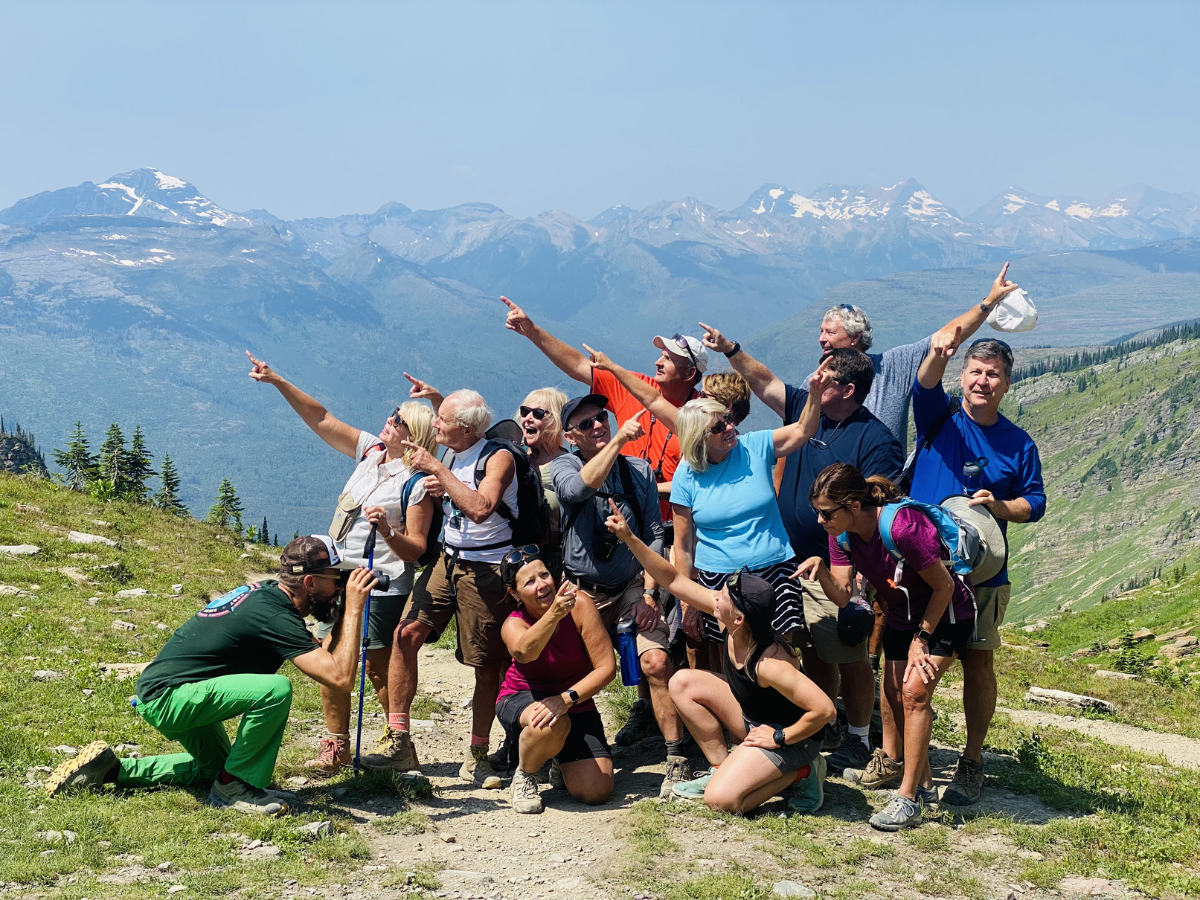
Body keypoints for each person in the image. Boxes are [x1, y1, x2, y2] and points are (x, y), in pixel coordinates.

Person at [686, 337, 905, 775]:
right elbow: (763, 380)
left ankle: (859, 737)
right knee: (799, 654)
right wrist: (731, 349)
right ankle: (815, 730)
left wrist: (860, 566)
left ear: (846, 388)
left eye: (825, 378)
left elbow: (877, 501)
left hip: (836, 558)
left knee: (846, 651)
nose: (814, 382)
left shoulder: (874, 437)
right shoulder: (810, 406)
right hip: (788, 561)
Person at [45, 537, 376, 816]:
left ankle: (111, 770)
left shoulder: (268, 597)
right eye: (336, 578)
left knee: (212, 770)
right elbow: (340, 678)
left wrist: (342, 611)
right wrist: (357, 609)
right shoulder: (274, 614)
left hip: (166, 693)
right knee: (275, 689)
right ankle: (236, 788)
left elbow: (327, 658)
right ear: (309, 582)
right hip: (170, 698)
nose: (340, 586)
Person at [245, 352, 438, 775]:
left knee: (375, 664)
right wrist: (279, 380)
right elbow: (322, 418)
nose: (391, 420)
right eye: (393, 414)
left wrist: (387, 530)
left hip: (380, 580)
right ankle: (347, 745)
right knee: (332, 652)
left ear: (414, 435)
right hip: (339, 574)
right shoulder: (371, 452)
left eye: (400, 420)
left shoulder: (417, 483)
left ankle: (394, 743)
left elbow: (418, 549)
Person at [605, 501, 835, 814]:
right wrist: (630, 537)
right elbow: (672, 579)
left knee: (721, 802)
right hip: (754, 721)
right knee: (683, 682)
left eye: (725, 595)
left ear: (739, 618)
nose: (716, 594)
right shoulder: (736, 622)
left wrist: (781, 737)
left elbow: (824, 710)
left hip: (794, 739)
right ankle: (723, 768)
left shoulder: (769, 663)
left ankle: (804, 773)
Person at [796, 464, 975, 831]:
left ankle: (907, 800)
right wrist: (822, 569)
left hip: (947, 614)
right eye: (818, 511)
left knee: (913, 693)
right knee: (894, 695)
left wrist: (921, 639)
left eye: (826, 512)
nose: (820, 520)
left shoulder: (902, 527)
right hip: (900, 615)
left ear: (854, 505)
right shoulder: (841, 533)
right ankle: (924, 787)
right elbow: (845, 595)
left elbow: (943, 587)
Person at [911, 334, 1045, 806]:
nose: (983, 381)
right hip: (922, 566)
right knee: (903, 658)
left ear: (1007, 383)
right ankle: (905, 760)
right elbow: (923, 385)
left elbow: (1036, 502)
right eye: (975, 371)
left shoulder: (1019, 442)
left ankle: (971, 761)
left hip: (984, 572)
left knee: (978, 660)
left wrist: (1002, 506)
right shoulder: (938, 418)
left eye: (993, 374)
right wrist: (938, 352)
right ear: (961, 376)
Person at [368, 390, 519, 788]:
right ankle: (399, 739)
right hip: (447, 558)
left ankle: (478, 754)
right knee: (405, 634)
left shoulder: (497, 457)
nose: (435, 424)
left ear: (467, 429)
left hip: (486, 567)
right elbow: (456, 492)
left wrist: (438, 469)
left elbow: (482, 507)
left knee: (486, 664)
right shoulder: (455, 450)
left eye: (443, 420)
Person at [552, 393, 687, 797]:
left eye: (602, 417)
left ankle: (676, 756)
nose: (598, 425)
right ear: (570, 437)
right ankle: (566, 752)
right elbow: (576, 491)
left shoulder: (640, 472)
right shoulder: (563, 464)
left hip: (630, 587)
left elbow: (654, 534)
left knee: (657, 662)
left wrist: (650, 595)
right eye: (587, 423)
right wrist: (615, 445)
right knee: (574, 673)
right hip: (581, 592)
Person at [667, 362, 835, 665]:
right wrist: (686, 601)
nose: (730, 427)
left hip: (774, 569)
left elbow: (802, 430)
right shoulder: (686, 476)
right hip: (718, 581)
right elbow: (682, 545)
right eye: (718, 427)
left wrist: (814, 393)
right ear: (698, 438)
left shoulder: (754, 446)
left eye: (728, 419)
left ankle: (789, 710)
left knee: (781, 655)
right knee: (732, 660)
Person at [502, 296, 704, 519]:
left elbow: (697, 484)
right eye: (661, 355)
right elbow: (578, 365)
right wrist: (532, 332)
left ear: (689, 373)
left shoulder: (701, 415)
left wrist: (644, 487)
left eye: (668, 358)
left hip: (672, 528)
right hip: (623, 520)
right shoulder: (633, 386)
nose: (658, 362)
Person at [497, 546, 616, 813]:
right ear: (514, 593)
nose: (541, 585)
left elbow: (607, 668)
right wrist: (554, 614)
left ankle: (556, 758)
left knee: (596, 790)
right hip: (523, 697)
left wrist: (567, 699)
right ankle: (526, 774)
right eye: (529, 582)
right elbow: (525, 652)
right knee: (551, 722)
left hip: (573, 699)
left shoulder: (581, 604)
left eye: (544, 575)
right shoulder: (513, 623)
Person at [518, 387, 569, 576]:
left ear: (556, 422)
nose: (528, 418)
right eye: (525, 411)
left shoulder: (568, 467)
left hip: (554, 565)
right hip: (518, 561)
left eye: (538, 414)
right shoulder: (515, 460)